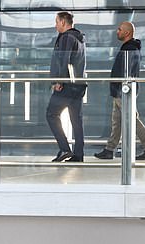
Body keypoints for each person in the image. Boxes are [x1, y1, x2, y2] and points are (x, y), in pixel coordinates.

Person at [94, 22, 145, 161]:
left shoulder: (130, 49)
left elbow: (126, 70)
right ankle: (109, 149)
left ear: (127, 33)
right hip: (119, 90)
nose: (117, 31)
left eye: (120, 29)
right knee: (116, 122)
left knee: (132, 120)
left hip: (123, 90)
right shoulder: (128, 48)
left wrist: (120, 86)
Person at [47, 11, 88, 163]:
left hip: (66, 86)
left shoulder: (66, 38)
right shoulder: (80, 38)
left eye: (57, 22)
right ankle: (78, 154)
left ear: (63, 22)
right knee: (76, 120)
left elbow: (63, 59)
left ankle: (64, 148)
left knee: (51, 114)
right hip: (79, 85)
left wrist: (58, 81)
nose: (55, 25)